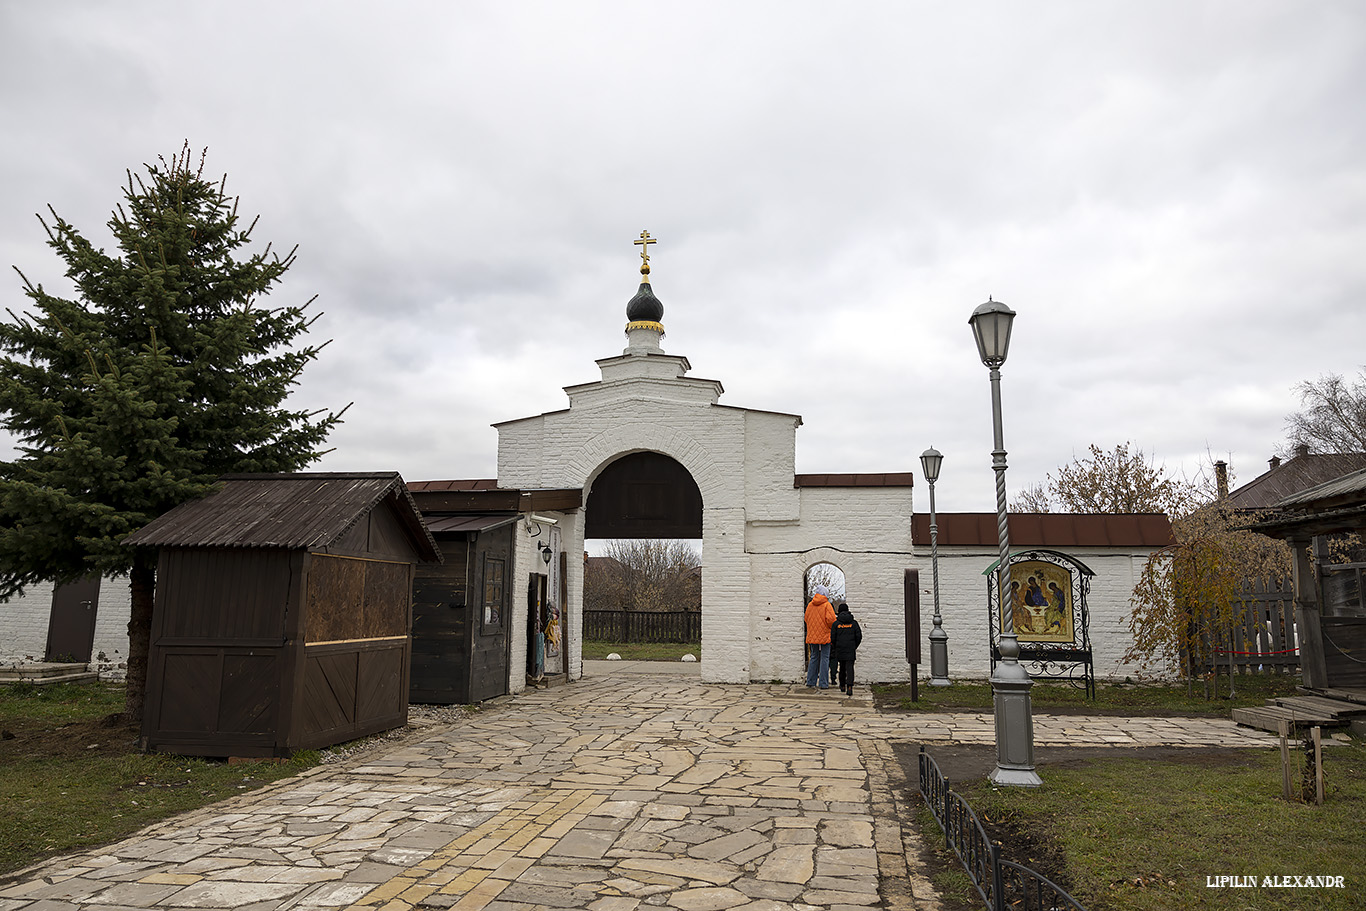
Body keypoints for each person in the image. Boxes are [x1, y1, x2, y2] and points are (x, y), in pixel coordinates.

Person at [804, 585, 837, 689]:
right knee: (825, 658)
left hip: (812, 635)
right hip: (825, 635)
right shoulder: (827, 605)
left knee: (814, 656)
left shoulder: (810, 605)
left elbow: (806, 619)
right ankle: (823, 683)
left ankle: (810, 681)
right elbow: (831, 621)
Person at [830, 601, 863, 695]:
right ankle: (849, 686)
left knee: (842, 667)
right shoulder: (854, 623)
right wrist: (854, 646)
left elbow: (833, 638)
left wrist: (836, 646)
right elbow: (859, 636)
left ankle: (842, 685)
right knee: (850, 667)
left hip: (840, 649)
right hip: (850, 649)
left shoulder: (836, 624)